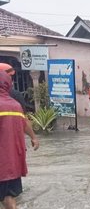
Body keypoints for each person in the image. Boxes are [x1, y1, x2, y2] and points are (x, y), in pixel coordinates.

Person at [0, 71, 39, 209]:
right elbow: (25, 122)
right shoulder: (16, 106)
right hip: (13, 162)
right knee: (9, 196)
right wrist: (34, 138)